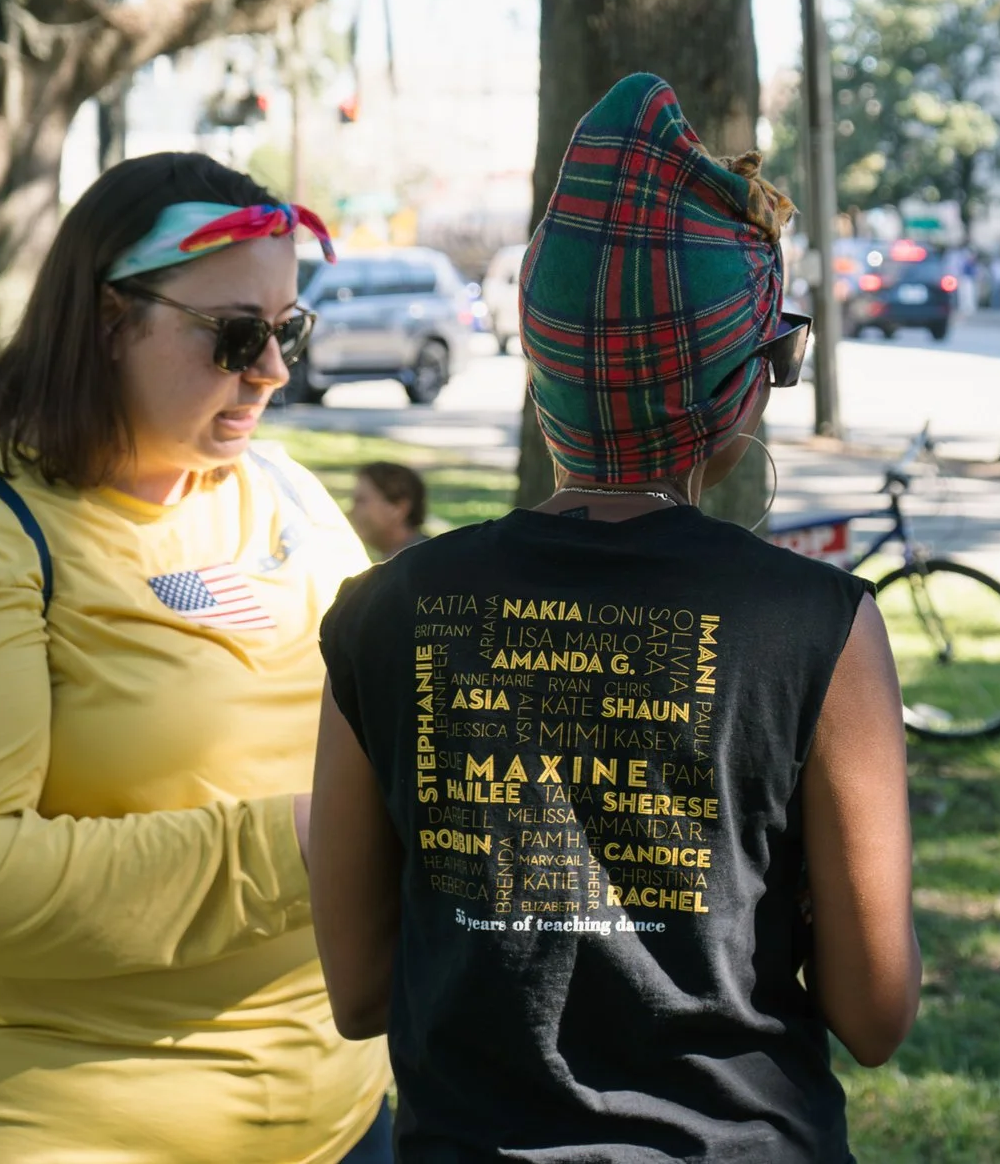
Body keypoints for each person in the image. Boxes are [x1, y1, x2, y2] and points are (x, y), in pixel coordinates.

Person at [310, 73, 920, 1161]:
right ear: (740, 395)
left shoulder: (382, 612)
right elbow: (875, 1014)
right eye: (778, 356)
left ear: (540, 362)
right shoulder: (819, 622)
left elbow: (358, 992)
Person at [0, 154, 392, 1163]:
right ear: (110, 319)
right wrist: (302, 843)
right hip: (20, 1129)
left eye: (289, 329)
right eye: (236, 335)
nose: (273, 370)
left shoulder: (288, 495)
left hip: (334, 1123)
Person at [351, 460, 430, 559]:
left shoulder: (423, 565)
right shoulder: (405, 562)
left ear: (399, 508)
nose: (351, 511)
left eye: (361, 501)